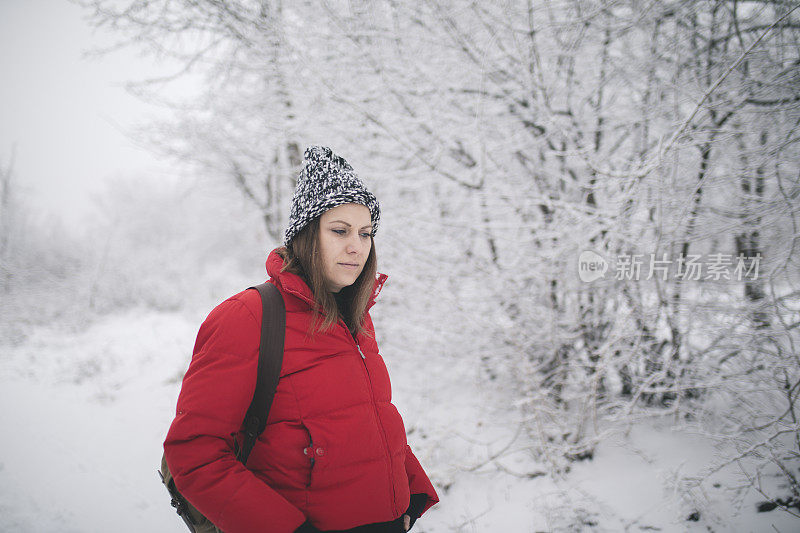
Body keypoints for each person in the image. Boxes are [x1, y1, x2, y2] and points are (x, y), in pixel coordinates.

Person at [163, 146, 439, 533]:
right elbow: (194, 453)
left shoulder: (356, 320)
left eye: (366, 234)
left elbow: (369, 417)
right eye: (340, 231)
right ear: (307, 235)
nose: (356, 247)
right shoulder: (249, 317)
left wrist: (410, 492)